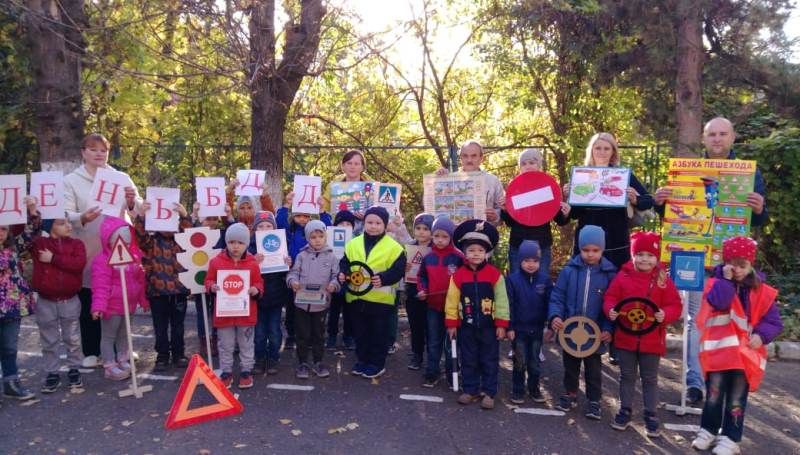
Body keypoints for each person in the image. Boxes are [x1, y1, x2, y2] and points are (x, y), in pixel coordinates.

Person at [653, 117, 770, 406]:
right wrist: (661, 202)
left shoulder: (749, 174)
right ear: (704, 140)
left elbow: (758, 220)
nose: (717, 139)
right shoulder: (687, 172)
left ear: (732, 138)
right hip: (694, 258)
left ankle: (717, 379)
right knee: (694, 320)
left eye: (722, 134)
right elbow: (673, 218)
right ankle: (694, 383)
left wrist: (760, 208)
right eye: (712, 134)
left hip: (731, 264)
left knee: (727, 322)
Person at [691, 236, 782, 454]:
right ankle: (708, 430)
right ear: (725, 262)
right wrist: (727, 280)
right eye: (733, 264)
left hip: (744, 356)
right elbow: (719, 302)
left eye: (743, 265)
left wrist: (761, 335)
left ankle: (731, 437)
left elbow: (774, 322)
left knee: (736, 398)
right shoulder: (716, 283)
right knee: (713, 394)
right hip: (719, 354)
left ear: (751, 264)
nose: (738, 270)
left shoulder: (762, 290)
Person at [64, 133, 142, 368]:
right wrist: (82, 217)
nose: (99, 153)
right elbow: (66, 213)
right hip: (89, 246)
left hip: (120, 248)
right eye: (93, 149)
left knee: (121, 297)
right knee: (92, 295)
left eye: (103, 150)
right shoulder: (71, 181)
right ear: (83, 152)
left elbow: (138, 207)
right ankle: (92, 350)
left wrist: (131, 202)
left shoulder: (120, 177)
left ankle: (123, 349)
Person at [604, 232, 682, 437]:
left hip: (652, 340)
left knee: (650, 378)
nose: (644, 259)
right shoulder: (623, 276)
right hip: (625, 338)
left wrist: (665, 315)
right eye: (640, 254)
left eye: (649, 254)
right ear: (633, 255)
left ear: (657, 257)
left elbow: (675, 304)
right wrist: (610, 309)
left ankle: (651, 414)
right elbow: (610, 297)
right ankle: (625, 410)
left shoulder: (663, 280)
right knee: (626, 376)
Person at [548, 225, 616, 419]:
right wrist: (555, 317)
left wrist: (608, 329)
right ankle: (570, 394)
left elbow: (612, 306)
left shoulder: (609, 274)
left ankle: (594, 401)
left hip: (595, 335)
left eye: (595, 250)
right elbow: (558, 296)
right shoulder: (569, 270)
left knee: (594, 369)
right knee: (570, 366)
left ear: (602, 249)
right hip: (570, 332)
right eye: (585, 250)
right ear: (579, 249)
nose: (590, 254)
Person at [562, 133, 654, 269]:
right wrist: (569, 196)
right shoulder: (582, 175)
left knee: (616, 284)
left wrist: (635, 200)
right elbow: (574, 214)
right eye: (598, 148)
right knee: (586, 282)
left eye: (607, 148)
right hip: (588, 240)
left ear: (613, 152)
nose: (602, 152)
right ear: (591, 150)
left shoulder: (622, 174)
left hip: (616, 240)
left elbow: (648, 201)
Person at [445, 220, 509, 410]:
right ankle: (470, 389)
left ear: (486, 253)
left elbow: (502, 300)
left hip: (489, 327)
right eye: (471, 250)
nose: (476, 254)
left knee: (489, 359)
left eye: (480, 251)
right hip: (467, 327)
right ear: (464, 252)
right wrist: (451, 324)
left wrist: (501, 324)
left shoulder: (494, 275)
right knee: (469, 358)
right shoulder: (458, 276)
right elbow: (451, 301)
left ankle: (489, 392)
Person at [338, 206, 406, 379]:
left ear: (384, 225)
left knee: (378, 333)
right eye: (369, 222)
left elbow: (398, 270)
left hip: (380, 300)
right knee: (360, 332)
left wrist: (384, 278)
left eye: (378, 223)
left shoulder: (394, 247)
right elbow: (345, 262)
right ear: (364, 222)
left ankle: (377, 364)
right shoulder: (353, 243)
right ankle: (362, 360)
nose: (373, 226)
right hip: (356, 297)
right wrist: (342, 273)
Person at [27, 200, 87, 393]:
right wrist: (33, 212)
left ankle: (74, 370)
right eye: (62, 223)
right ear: (50, 226)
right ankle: (52, 372)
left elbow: (78, 265)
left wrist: (53, 258)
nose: (68, 226)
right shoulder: (39, 244)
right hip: (45, 301)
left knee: (72, 338)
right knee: (49, 339)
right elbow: (28, 236)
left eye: (68, 222)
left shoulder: (77, 244)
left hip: (70, 299)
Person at [133, 201, 193, 372]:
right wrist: (142, 217)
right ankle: (162, 355)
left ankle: (179, 353)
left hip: (179, 291)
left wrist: (184, 214)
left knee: (178, 326)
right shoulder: (151, 243)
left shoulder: (181, 241)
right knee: (160, 326)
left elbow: (190, 232)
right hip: (157, 292)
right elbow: (139, 236)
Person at [205, 223, 264, 389]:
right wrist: (212, 287)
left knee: (246, 344)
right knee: (225, 345)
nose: (235, 246)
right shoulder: (216, 262)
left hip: (246, 314)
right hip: (224, 315)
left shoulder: (252, 263)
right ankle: (226, 372)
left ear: (246, 244)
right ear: (226, 243)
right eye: (231, 242)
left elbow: (259, 283)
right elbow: (208, 280)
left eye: (240, 242)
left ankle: (246, 371)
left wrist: (256, 290)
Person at [90, 216, 149, 381]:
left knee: (124, 334)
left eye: (129, 242)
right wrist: (99, 307)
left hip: (128, 305)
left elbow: (139, 280)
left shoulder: (133, 258)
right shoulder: (102, 261)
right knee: (109, 336)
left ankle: (122, 359)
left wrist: (143, 300)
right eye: (123, 242)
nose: (126, 246)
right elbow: (100, 286)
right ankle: (109, 365)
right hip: (112, 307)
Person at [277, 191, 332, 350]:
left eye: (306, 216)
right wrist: (287, 204)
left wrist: (322, 210)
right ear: (293, 216)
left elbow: (327, 227)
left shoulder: (314, 233)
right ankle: (291, 335)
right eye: (298, 215)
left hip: (313, 277)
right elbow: (280, 222)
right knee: (292, 308)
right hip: (294, 277)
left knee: (310, 308)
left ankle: (310, 337)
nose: (302, 219)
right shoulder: (290, 232)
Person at [500, 148, 569, 275]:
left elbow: (559, 219)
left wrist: (565, 213)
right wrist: (504, 210)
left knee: (541, 283)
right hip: (518, 244)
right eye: (524, 164)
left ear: (539, 166)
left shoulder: (547, 187)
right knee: (517, 282)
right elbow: (511, 222)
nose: (528, 166)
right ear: (520, 168)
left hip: (541, 244)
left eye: (532, 163)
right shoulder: (515, 189)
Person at [286, 220, 340, 379]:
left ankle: (318, 361)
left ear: (325, 237)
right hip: (301, 304)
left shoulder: (331, 257)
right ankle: (302, 363)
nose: (317, 239)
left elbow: (336, 276)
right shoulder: (302, 256)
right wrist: (292, 282)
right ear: (307, 238)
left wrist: (333, 285)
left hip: (321, 305)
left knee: (318, 334)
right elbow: (293, 273)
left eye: (320, 236)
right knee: (302, 335)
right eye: (313, 236)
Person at [417, 216, 462, 387]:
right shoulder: (428, 257)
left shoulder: (458, 257)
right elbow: (422, 277)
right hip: (433, 307)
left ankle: (453, 374)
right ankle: (432, 373)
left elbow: (465, 277)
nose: (440, 240)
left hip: (453, 309)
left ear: (451, 237)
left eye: (444, 236)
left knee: (452, 342)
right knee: (434, 340)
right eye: (436, 236)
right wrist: (423, 289)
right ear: (432, 237)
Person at [506, 240, 552, 405]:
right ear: (520, 261)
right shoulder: (512, 280)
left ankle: (534, 389)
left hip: (537, 329)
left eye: (535, 260)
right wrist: (509, 327)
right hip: (518, 330)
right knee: (520, 361)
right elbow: (509, 304)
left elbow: (550, 304)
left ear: (540, 261)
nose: (531, 264)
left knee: (534, 362)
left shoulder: (545, 280)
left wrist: (550, 326)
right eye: (526, 260)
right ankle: (517, 390)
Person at [249, 211, 292, 375]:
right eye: (261, 226)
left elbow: (285, 273)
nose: (265, 229)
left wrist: (288, 263)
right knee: (259, 332)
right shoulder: (250, 248)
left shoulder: (281, 244)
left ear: (274, 228)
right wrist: (253, 262)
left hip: (276, 297)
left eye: (269, 226)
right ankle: (259, 358)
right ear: (255, 229)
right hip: (257, 298)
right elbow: (243, 270)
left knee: (274, 331)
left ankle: (273, 358)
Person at [0, 224, 36, 400]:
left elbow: (30, 235)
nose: (0, 233)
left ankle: (11, 383)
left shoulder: (13, 247)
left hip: (12, 306)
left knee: (9, 347)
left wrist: (32, 212)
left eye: (3, 229)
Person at [436, 140, 505, 225]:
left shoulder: (493, 181)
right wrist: (438, 182)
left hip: (484, 234)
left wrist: (496, 216)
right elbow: (433, 206)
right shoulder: (449, 179)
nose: (469, 160)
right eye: (465, 156)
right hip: (455, 234)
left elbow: (503, 211)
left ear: (481, 158)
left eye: (473, 156)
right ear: (460, 157)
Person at [404, 213, 433, 371]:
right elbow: (402, 269)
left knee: (431, 327)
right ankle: (417, 354)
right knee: (415, 326)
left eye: (426, 229)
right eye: (418, 228)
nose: (421, 232)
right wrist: (405, 268)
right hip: (412, 291)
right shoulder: (410, 247)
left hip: (430, 293)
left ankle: (432, 356)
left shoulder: (436, 248)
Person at [323, 149, 375, 233]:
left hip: (365, 233)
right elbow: (325, 212)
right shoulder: (333, 187)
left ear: (362, 167)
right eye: (349, 163)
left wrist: (368, 217)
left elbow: (380, 214)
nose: (352, 167)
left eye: (356, 164)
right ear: (343, 166)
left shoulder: (373, 187)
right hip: (339, 232)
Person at [326, 210, 356, 350]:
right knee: (333, 311)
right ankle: (331, 336)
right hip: (333, 280)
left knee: (350, 312)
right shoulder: (328, 239)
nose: (344, 226)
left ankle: (348, 336)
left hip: (351, 281)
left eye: (348, 224)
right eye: (341, 223)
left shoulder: (357, 241)